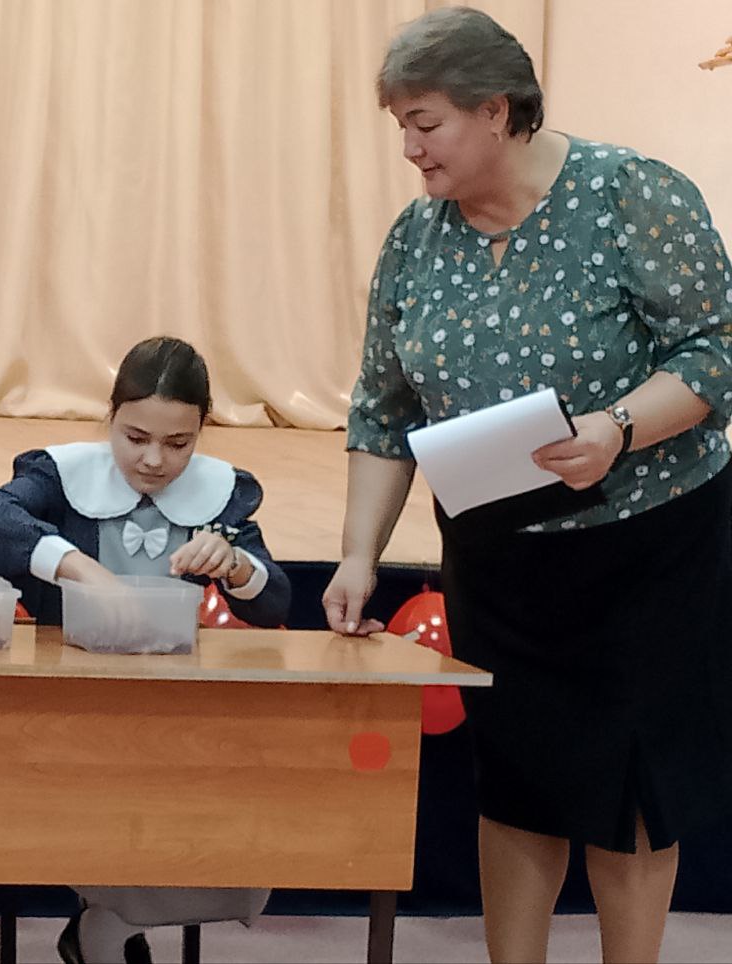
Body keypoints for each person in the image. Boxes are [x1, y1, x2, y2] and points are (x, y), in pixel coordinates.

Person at [322, 8, 732, 963]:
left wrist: (617, 428)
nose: (410, 149)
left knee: (631, 792)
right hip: (498, 555)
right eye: (401, 126)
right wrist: (356, 556)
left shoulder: (630, 194)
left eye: (426, 123)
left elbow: (715, 351)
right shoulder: (416, 239)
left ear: (496, 111)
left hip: (645, 545)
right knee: (516, 784)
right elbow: (383, 412)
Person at [0, 335, 291, 964]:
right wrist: (80, 568)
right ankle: (107, 924)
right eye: (135, 437)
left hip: (172, 709)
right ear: (109, 417)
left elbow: (274, 602)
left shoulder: (222, 494)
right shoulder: (59, 475)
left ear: (202, 432)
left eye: (179, 444)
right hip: (68, 707)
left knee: (232, 827)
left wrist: (234, 565)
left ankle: (108, 926)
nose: (154, 460)